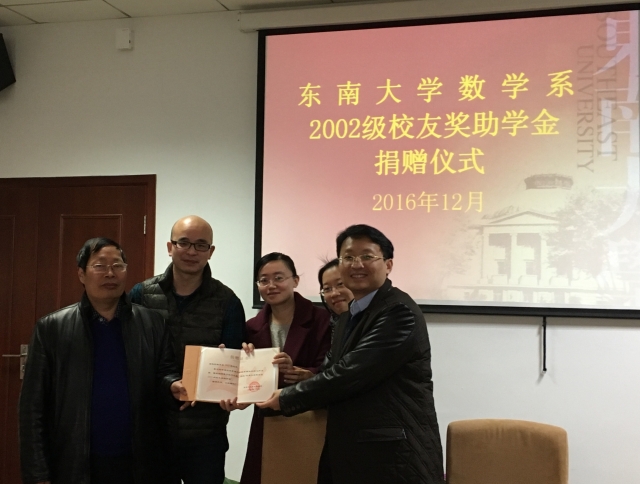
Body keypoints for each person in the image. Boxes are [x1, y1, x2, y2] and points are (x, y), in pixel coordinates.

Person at [257, 225, 445, 484]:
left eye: (367, 256)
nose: (357, 264)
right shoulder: (348, 316)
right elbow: (331, 371)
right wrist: (298, 379)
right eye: (348, 257)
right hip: (353, 452)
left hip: (392, 458)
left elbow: (350, 374)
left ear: (388, 264)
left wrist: (286, 398)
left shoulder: (398, 312)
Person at [19, 237, 182, 484]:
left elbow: (165, 373)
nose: (110, 273)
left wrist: (173, 384)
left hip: (139, 461)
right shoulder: (51, 328)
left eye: (118, 265)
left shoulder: (153, 324)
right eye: (99, 265)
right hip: (74, 462)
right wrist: (38, 474)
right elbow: (32, 408)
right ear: (81, 274)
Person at [129, 215, 246, 484]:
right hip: (152, 430)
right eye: (184, 242)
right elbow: (132, 359)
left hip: (206, 435)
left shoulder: (228, 302)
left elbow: (234, 364)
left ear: (211, 252)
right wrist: (167, 385)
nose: (192, 251)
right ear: (170, 247)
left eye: (201, 245)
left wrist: (231, 391)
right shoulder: (141, 295)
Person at [239, 252, 331, 484]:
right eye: (264, 280)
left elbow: (333, 370)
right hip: (267, 420)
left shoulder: (322, 320)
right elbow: (247, 380)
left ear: (295, 280)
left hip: (309, 418)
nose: (271, 285)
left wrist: (305, 374)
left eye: (279, 278)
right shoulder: (251, 327)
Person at [318, 258, 355, 327]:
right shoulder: (325, 327)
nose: (334, 293)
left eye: (340, 284)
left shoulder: (373, 322)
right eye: (327, 288)